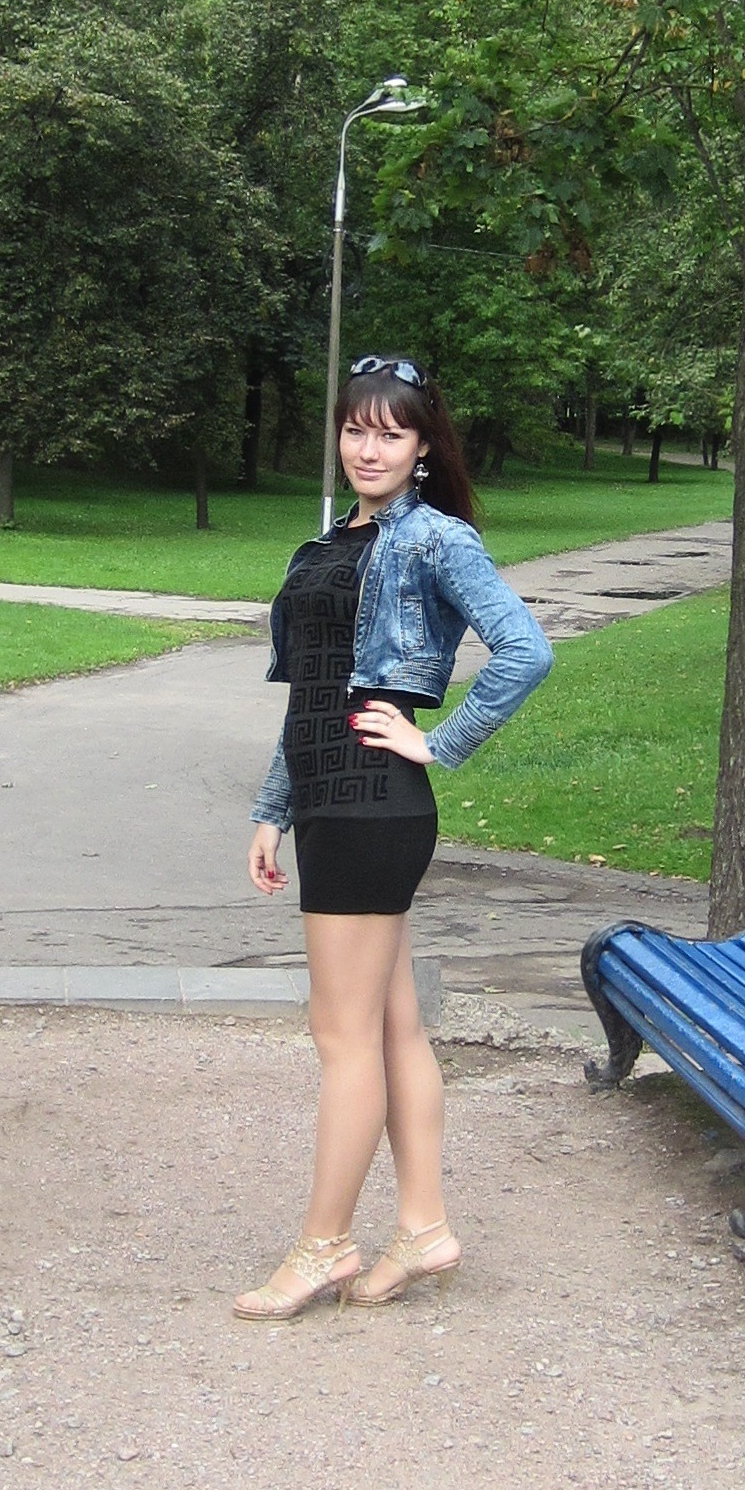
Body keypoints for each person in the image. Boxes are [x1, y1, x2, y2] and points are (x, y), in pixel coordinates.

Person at [234, 355, 553, 1321]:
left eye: (391, 433)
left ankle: (324, 1245)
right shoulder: (333, 541)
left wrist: (438, 741)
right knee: (391, 1024)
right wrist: (273, 807)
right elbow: (314, 691)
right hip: (331, 800)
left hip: (373, 802)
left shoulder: (435, 539)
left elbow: (526, 650)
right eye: (355, 429)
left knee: (342, 1036)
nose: (368, 449)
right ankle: (422, 1227)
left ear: (422, 449)